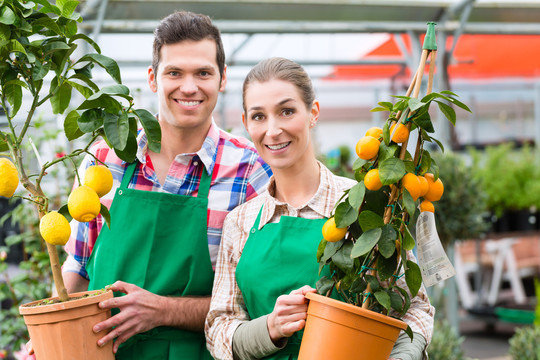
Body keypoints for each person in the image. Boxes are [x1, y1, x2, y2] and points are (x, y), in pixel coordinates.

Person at [60, 11, 272, 360]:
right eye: (174, 72)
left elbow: (249, 301)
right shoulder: (104, 158)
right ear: (153, 79)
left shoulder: (251, 171)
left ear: (222, 80)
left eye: (203, 73)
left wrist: (163, 310)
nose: (189, 87)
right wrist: (49, 333)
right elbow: (79, 267)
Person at [205, 57, 434, 360]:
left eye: (287, 111)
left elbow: (415, 307)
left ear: (313, 113)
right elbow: (219, 325)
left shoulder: (365, 204)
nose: (273, 130)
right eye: (259, 117)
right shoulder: (240, 222)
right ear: (247, 123)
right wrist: (270, 327)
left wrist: (402, 356)